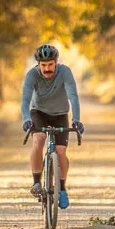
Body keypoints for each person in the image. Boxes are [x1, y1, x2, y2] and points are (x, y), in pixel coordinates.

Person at [21, 43, 84, 209]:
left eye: (50, 65)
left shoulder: (65, 72)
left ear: (56, 62)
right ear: (38, 65)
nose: (47, 68)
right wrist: (26, 118)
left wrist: (76, 119)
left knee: (61, 151)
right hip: (39, 112)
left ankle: (62, 189)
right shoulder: (32, 75)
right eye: (43, 65)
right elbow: (25, 99)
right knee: (39, 139)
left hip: (60, 114)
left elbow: (73, 96)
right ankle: (36, 183)